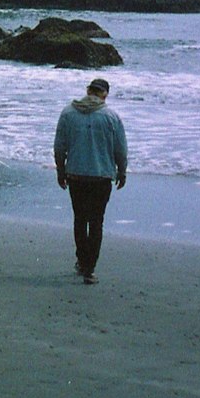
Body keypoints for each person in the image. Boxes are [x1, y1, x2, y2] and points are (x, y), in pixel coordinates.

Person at [54, 77, 127, 284]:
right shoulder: (111, 116)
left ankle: (81, 260)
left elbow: (59, 147)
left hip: (76, 174)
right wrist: (122, 172)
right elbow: (120, 149)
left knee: (79, 219)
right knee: (96, 222)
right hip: (101, 176)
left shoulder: (68, 113)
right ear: (105, 94)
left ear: (88, 91)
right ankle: (90, 268)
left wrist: (61, 171)